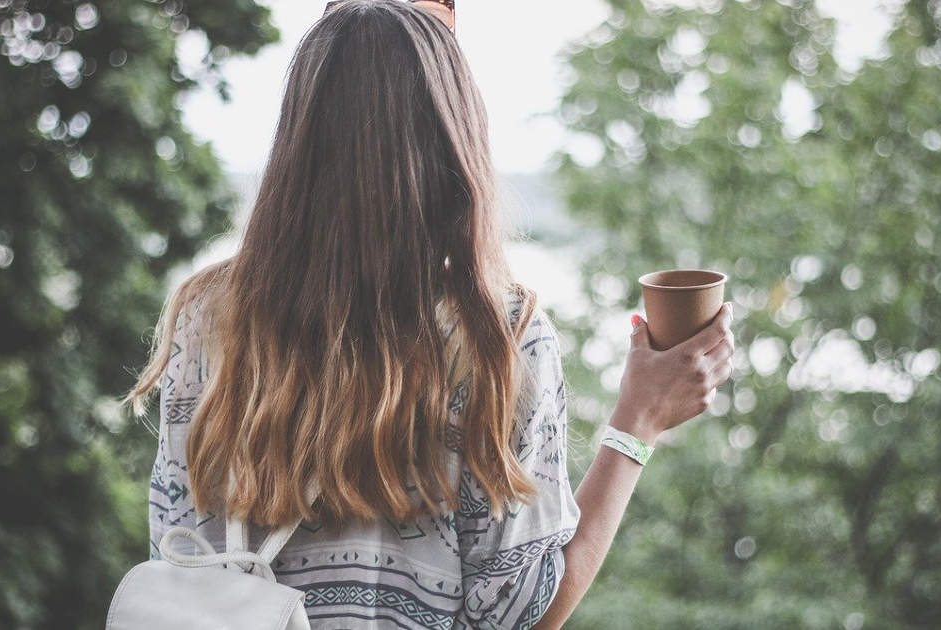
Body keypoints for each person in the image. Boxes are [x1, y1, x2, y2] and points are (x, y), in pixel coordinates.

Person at [122, 1, 735, 628]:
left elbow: (179, 567)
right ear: (451, 138)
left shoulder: (210, 318)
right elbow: (518, 615)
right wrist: (639, 422)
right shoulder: (496, 337)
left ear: (299, 134)